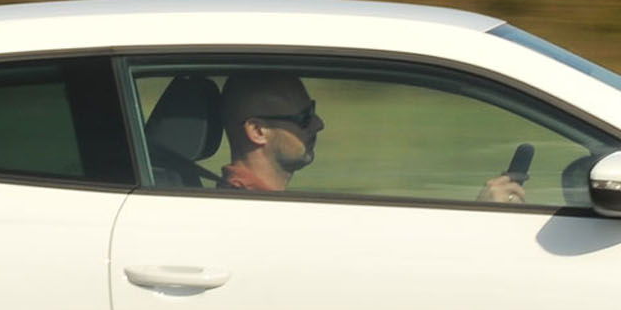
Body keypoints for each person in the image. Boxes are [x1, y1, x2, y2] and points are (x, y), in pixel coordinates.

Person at [212, 72, 527, 202]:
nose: (319, 124)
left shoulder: (261, 202)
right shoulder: (249, 208)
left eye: (314, 111)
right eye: (303, 118)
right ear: (257, 132)